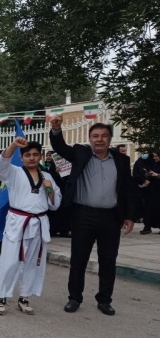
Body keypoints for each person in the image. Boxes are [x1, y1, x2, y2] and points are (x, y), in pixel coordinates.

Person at [49, 116, 137, 316]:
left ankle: (104, 300)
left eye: (104, 136)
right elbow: (60, 147)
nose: (99, 139)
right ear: (90, 139)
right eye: (95, 136)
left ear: (110, 139)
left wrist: (130, 216)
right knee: (78, 259)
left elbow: (128, 190)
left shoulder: (121, 160)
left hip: (111, 217)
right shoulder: (80, 153)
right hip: (83, 215)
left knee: (108, 260)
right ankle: (74, 298)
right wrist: (56, 129)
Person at [0, 138, 61, 315]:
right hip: (18, 222)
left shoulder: (47, 177)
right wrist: (13, 145)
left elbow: (55, 204)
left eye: (35, 155)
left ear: (40, 156)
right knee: (10, 261)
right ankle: (1, 297)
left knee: (33, 263)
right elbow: (1, 165)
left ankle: (24, 297)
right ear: (21, 157)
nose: (32, 158)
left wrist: (50, 190)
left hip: (39, 223)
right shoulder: (14, 172)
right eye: (28, 155)